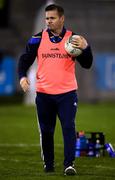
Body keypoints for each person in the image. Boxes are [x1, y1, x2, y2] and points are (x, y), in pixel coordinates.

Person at [18, 4, 93, 175]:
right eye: (47, 18)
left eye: (52, 18)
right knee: (46, 130)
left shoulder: (73, 39)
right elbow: (24, 60)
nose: (48, 21)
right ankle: (49, 164)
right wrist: (22, 77)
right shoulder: (37, 39)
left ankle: (69, 164)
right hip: (44, 94)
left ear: (62, 18)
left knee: (68, 127)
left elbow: (87, 64)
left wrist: (85, 48)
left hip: (67, 94)